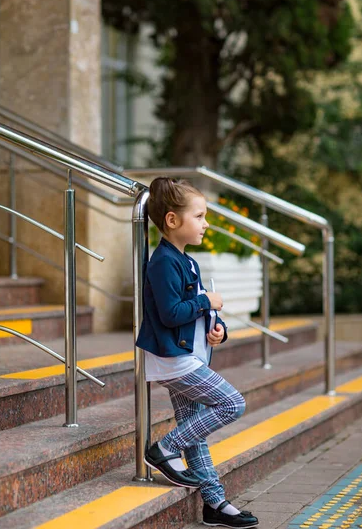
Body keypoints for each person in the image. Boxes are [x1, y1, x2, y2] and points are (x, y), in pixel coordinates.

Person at [136, 177, 259, 529]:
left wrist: (216, 327)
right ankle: (163, 448)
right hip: (174, 359)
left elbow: (198, 312)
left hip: (191, 356)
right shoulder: (163, 262)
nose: (206, 223)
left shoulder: (187, 261)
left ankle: (214, 503)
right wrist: (206, 301)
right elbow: (171, 312)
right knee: (231, 403)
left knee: (197, 431)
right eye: (200, 216)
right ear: (173, 220)